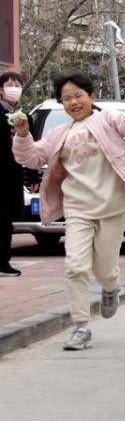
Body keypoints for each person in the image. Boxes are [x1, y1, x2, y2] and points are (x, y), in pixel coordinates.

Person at [13, 74, 125, 350]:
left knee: (105, 270)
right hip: (77, 208)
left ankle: (111, 288)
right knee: (75, 266)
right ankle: (81, 327)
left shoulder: (108, 120)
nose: (73, 102)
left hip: (112, 207)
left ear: (91, 97)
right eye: (66, 98)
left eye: (78, 95)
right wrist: (23, 134)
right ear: (61, 103)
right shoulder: (58, 135)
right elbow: (30, 157)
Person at [1, 72, 39, 276]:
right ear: (1, 89)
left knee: (7, 221)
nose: (13, 88)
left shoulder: (25, 117)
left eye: (17, 84)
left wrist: (33, 176)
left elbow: (30, 148)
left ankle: (3, 262)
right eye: (9, 84)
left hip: (12, 175)